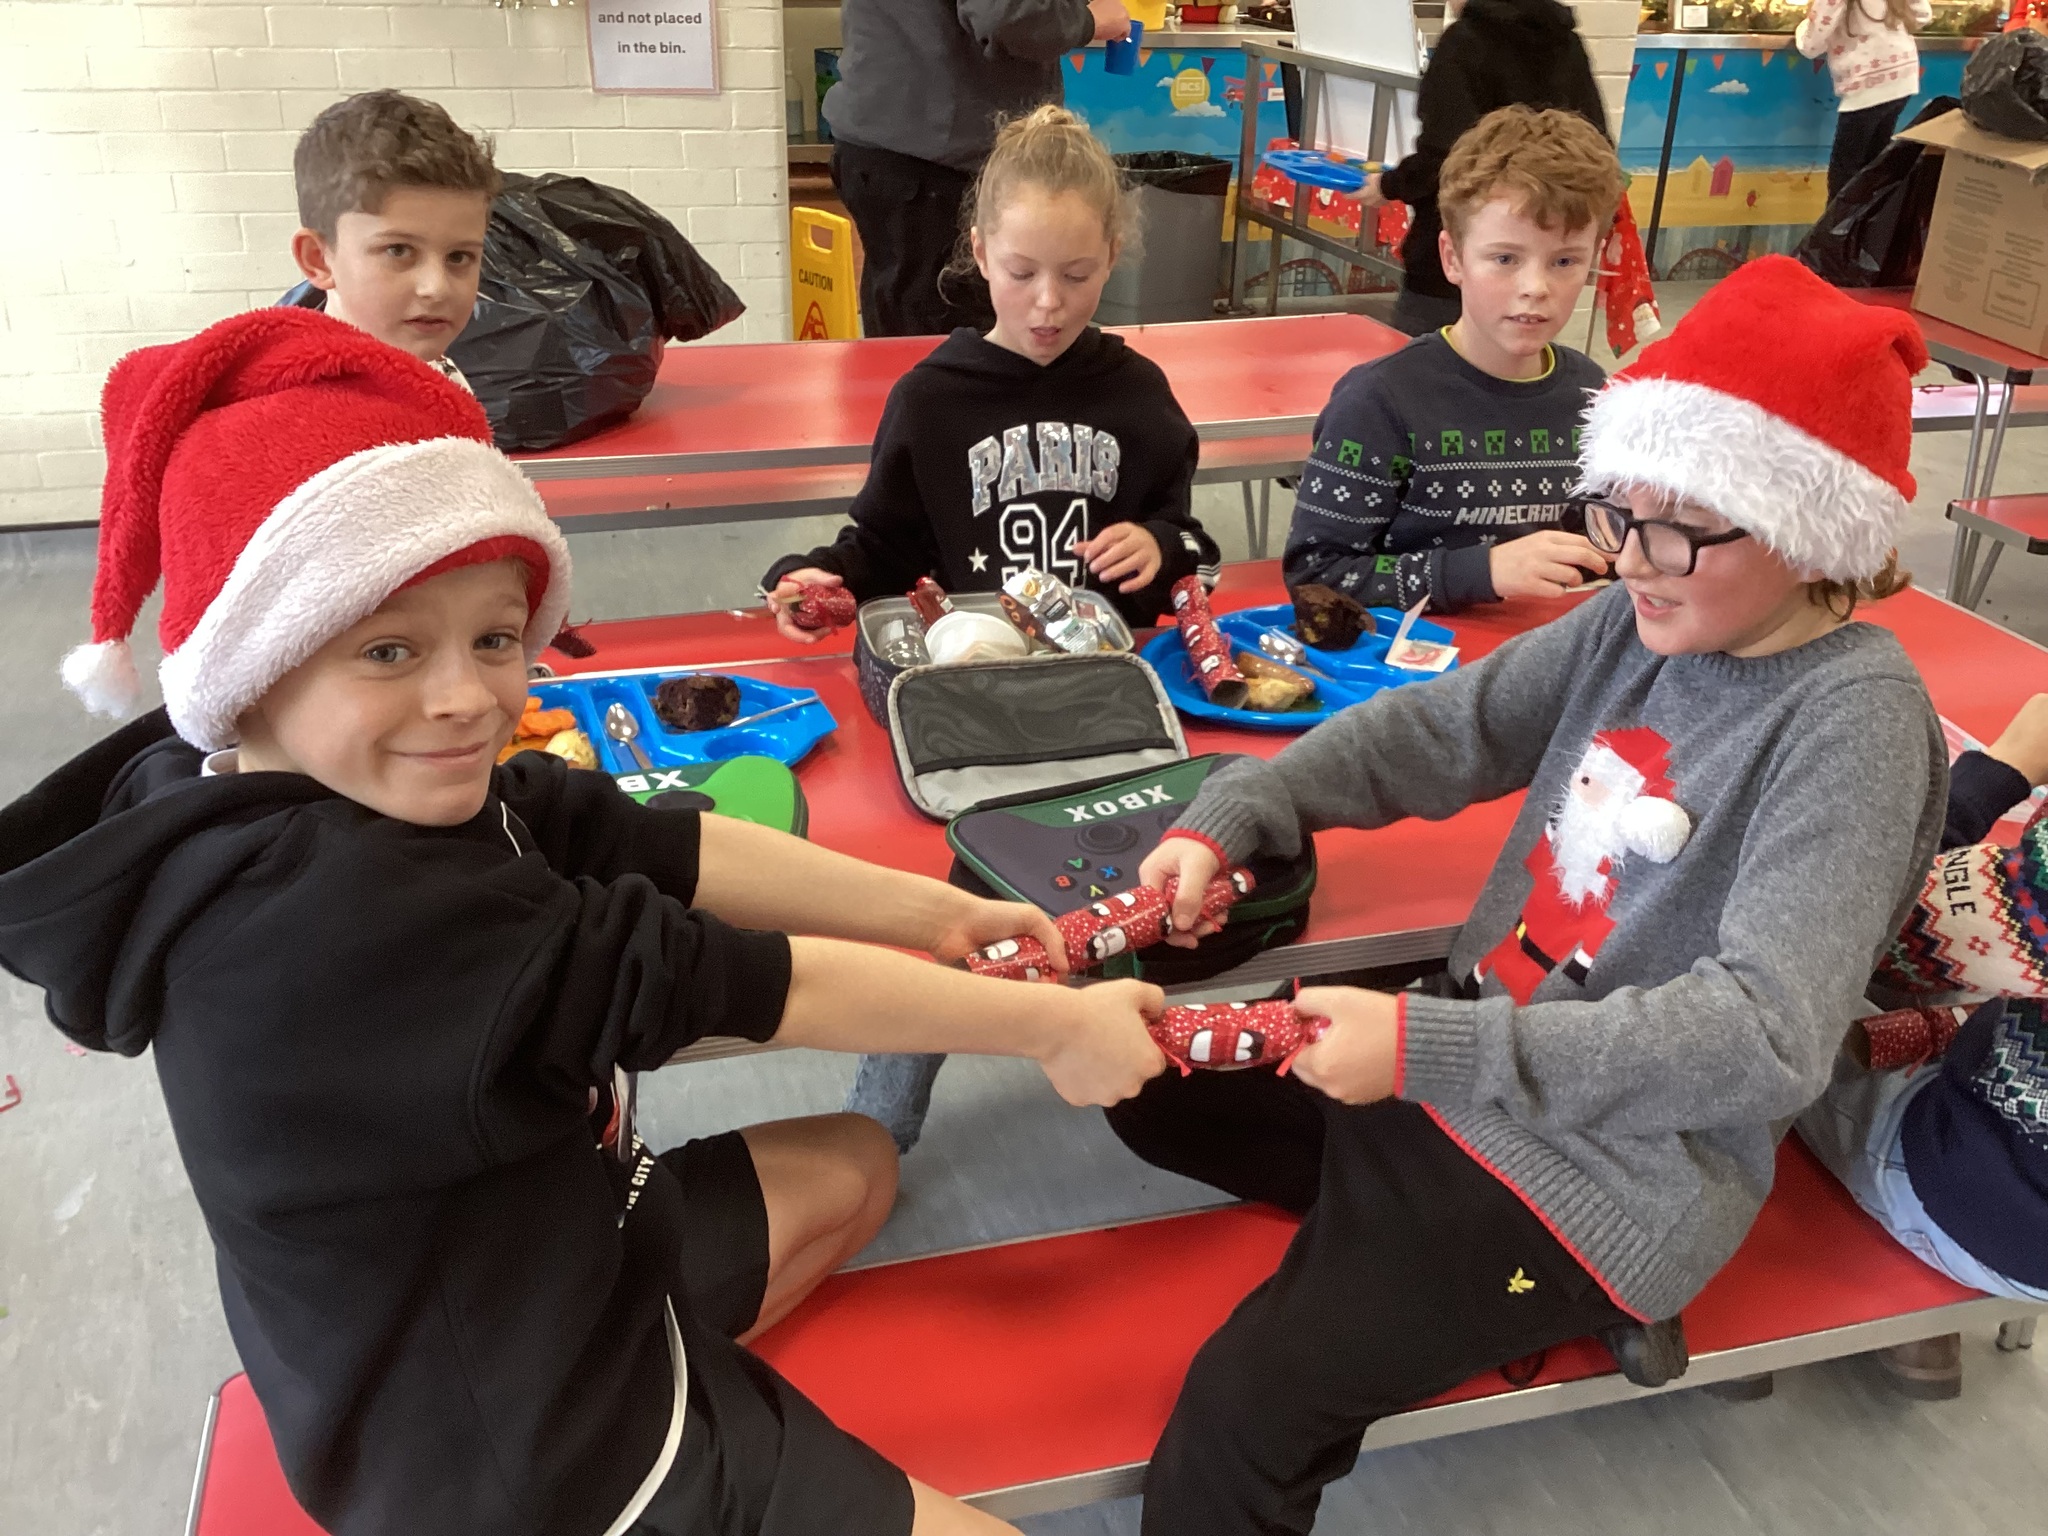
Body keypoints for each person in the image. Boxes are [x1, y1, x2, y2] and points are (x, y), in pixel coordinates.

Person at [0, 308, 1167, 1536]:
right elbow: (744, 982)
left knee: (856, 1166)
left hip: (560, 1252)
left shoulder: (332, 780)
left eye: (494, 638)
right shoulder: (332, 918)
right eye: (388, 651)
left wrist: (942, 910)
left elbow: (651, 841)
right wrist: (1050, 1030)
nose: (466, 699)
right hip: (517, 1455)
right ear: (250, 671)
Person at [1112, 257, 1947, 1535]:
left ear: (1804, 528)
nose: (1630, 556)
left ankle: (1514, 1275)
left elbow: (1763, 1038)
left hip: (1598, 1170)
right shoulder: (1639, 615)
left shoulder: (1854, 725)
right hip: (1471, 1053)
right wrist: (1242, 812)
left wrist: (1426, 1051)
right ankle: (1403, 1249)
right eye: (1618, 512)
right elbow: (1439, 729)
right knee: (1142, 1077)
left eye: (1678, 525)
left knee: (1241, 1414)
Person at [764, 104, 1220, 646]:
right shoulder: (929, 400)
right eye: (1021, 273)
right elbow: (885, 552)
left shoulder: (1139, 394)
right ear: (980, 253)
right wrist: (814, 577)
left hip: (1105, 671)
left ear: (1111, 258)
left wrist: (1159, 546)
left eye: (1076, 275)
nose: (1048, 301)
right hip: (974, 669)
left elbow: (1195, 553)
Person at [1794, 695, 2048, 1396]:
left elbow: (1863, 914)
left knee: (1769, 968)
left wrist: (2002, 768)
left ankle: (1710, 1274)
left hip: (1993, 1214)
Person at [1284, 106, 1621, 616]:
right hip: (1417, 660)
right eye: (1505, 259)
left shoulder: (1594, 394)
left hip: (1548, 654)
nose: (1536, 287)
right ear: (1453, 259)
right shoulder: (1378, 403)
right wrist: (1483, 571)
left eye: (1565, 261)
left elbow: (1602, 549)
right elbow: (1316, 576)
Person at [827, 0, 1133, 336]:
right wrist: (1088, 21)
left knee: (901, 318)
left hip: (888, 139)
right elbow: (1004, 13)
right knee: (943, 333)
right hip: (933, 158)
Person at [1361, 0, 1608, 338]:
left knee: (1427, 361)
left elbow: (1446, 153)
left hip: (1463, 257)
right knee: (1518, 360)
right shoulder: (1567, 43)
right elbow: (1596, 146)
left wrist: (1388, 185)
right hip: (1546, 245)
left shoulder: (1464, 42)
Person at [287, 89, 497, 387]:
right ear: (318, 259)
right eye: (398, 250)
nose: (436, 288)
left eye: (458, 256)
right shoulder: (299, 405)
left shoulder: (435, 371)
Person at [1797, 0, 1932, 204]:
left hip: (1865, 86)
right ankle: (1866, 221)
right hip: (1902, 77)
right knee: (1873, 167)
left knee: (1844, 178)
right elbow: (1923, 15)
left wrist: (1802, 27)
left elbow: (1811, 46)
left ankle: (1840, 224)